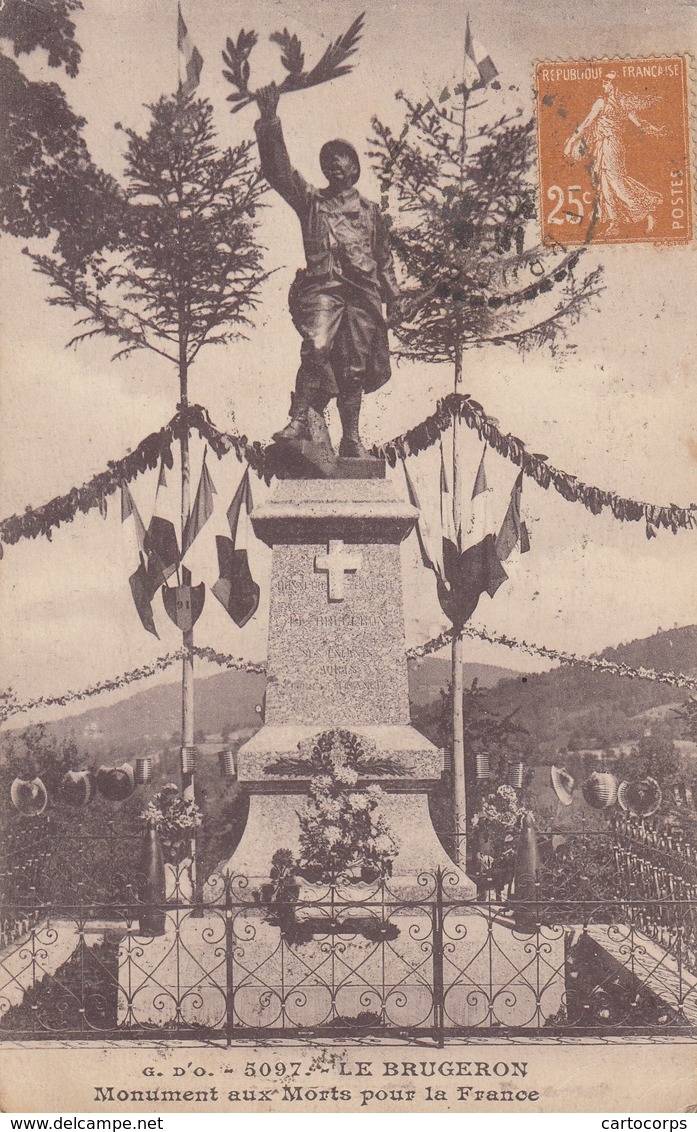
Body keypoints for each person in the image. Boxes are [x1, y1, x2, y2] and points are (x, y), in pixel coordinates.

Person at [254, 83, 400, 457]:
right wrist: (270, 121)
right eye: (328, 158)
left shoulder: (370, 213)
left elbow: (383, 260)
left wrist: (395, 298)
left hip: (363, 295)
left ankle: (351, 439)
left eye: (341, 157)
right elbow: (278, 171)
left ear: (354, 167)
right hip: (324, 288)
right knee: (316, 347)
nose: (333, 162)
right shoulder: (311, 202)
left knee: (353, 370)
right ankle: (300, 418)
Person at [563, 72, 665, 236]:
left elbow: (586, 123)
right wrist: (653, 130)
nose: (603, 85)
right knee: (605, 184)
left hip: (609, 145)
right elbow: (639, 123)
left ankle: (647, 211)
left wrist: (571, 142)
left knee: (616, 183)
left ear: (614, 84)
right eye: (603, 82)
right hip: (607, 145)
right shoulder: (622, 102)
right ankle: (614, 222)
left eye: (607, 82)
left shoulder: (602, 102)